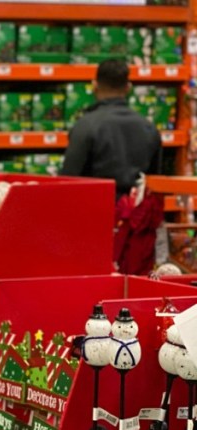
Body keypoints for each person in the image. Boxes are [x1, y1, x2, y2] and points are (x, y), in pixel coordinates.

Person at [61, 58, 164, 275]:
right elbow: (155, 182)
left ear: (95, 84)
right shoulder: (149, 128)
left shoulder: (85, 127)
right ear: (128, 87)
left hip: (94, 227)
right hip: (136, 230)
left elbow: (67, 182)